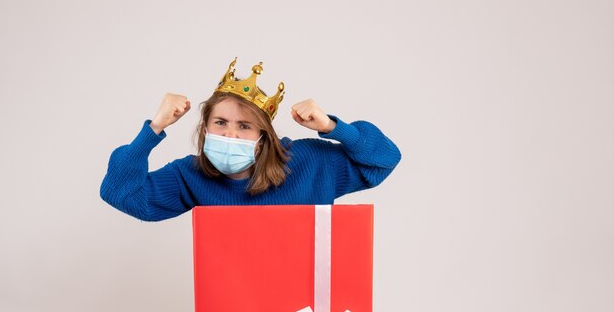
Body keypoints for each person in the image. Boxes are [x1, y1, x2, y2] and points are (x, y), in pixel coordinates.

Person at [100, 58, 402, 221]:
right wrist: (154, 128)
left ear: (261, 138)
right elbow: (121, 194)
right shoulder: (190, 176)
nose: (230, 134)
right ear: (205, 129)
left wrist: (333, 127)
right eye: (220, 122)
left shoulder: (309, 161)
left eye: (244, 126)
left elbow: (384, 160)